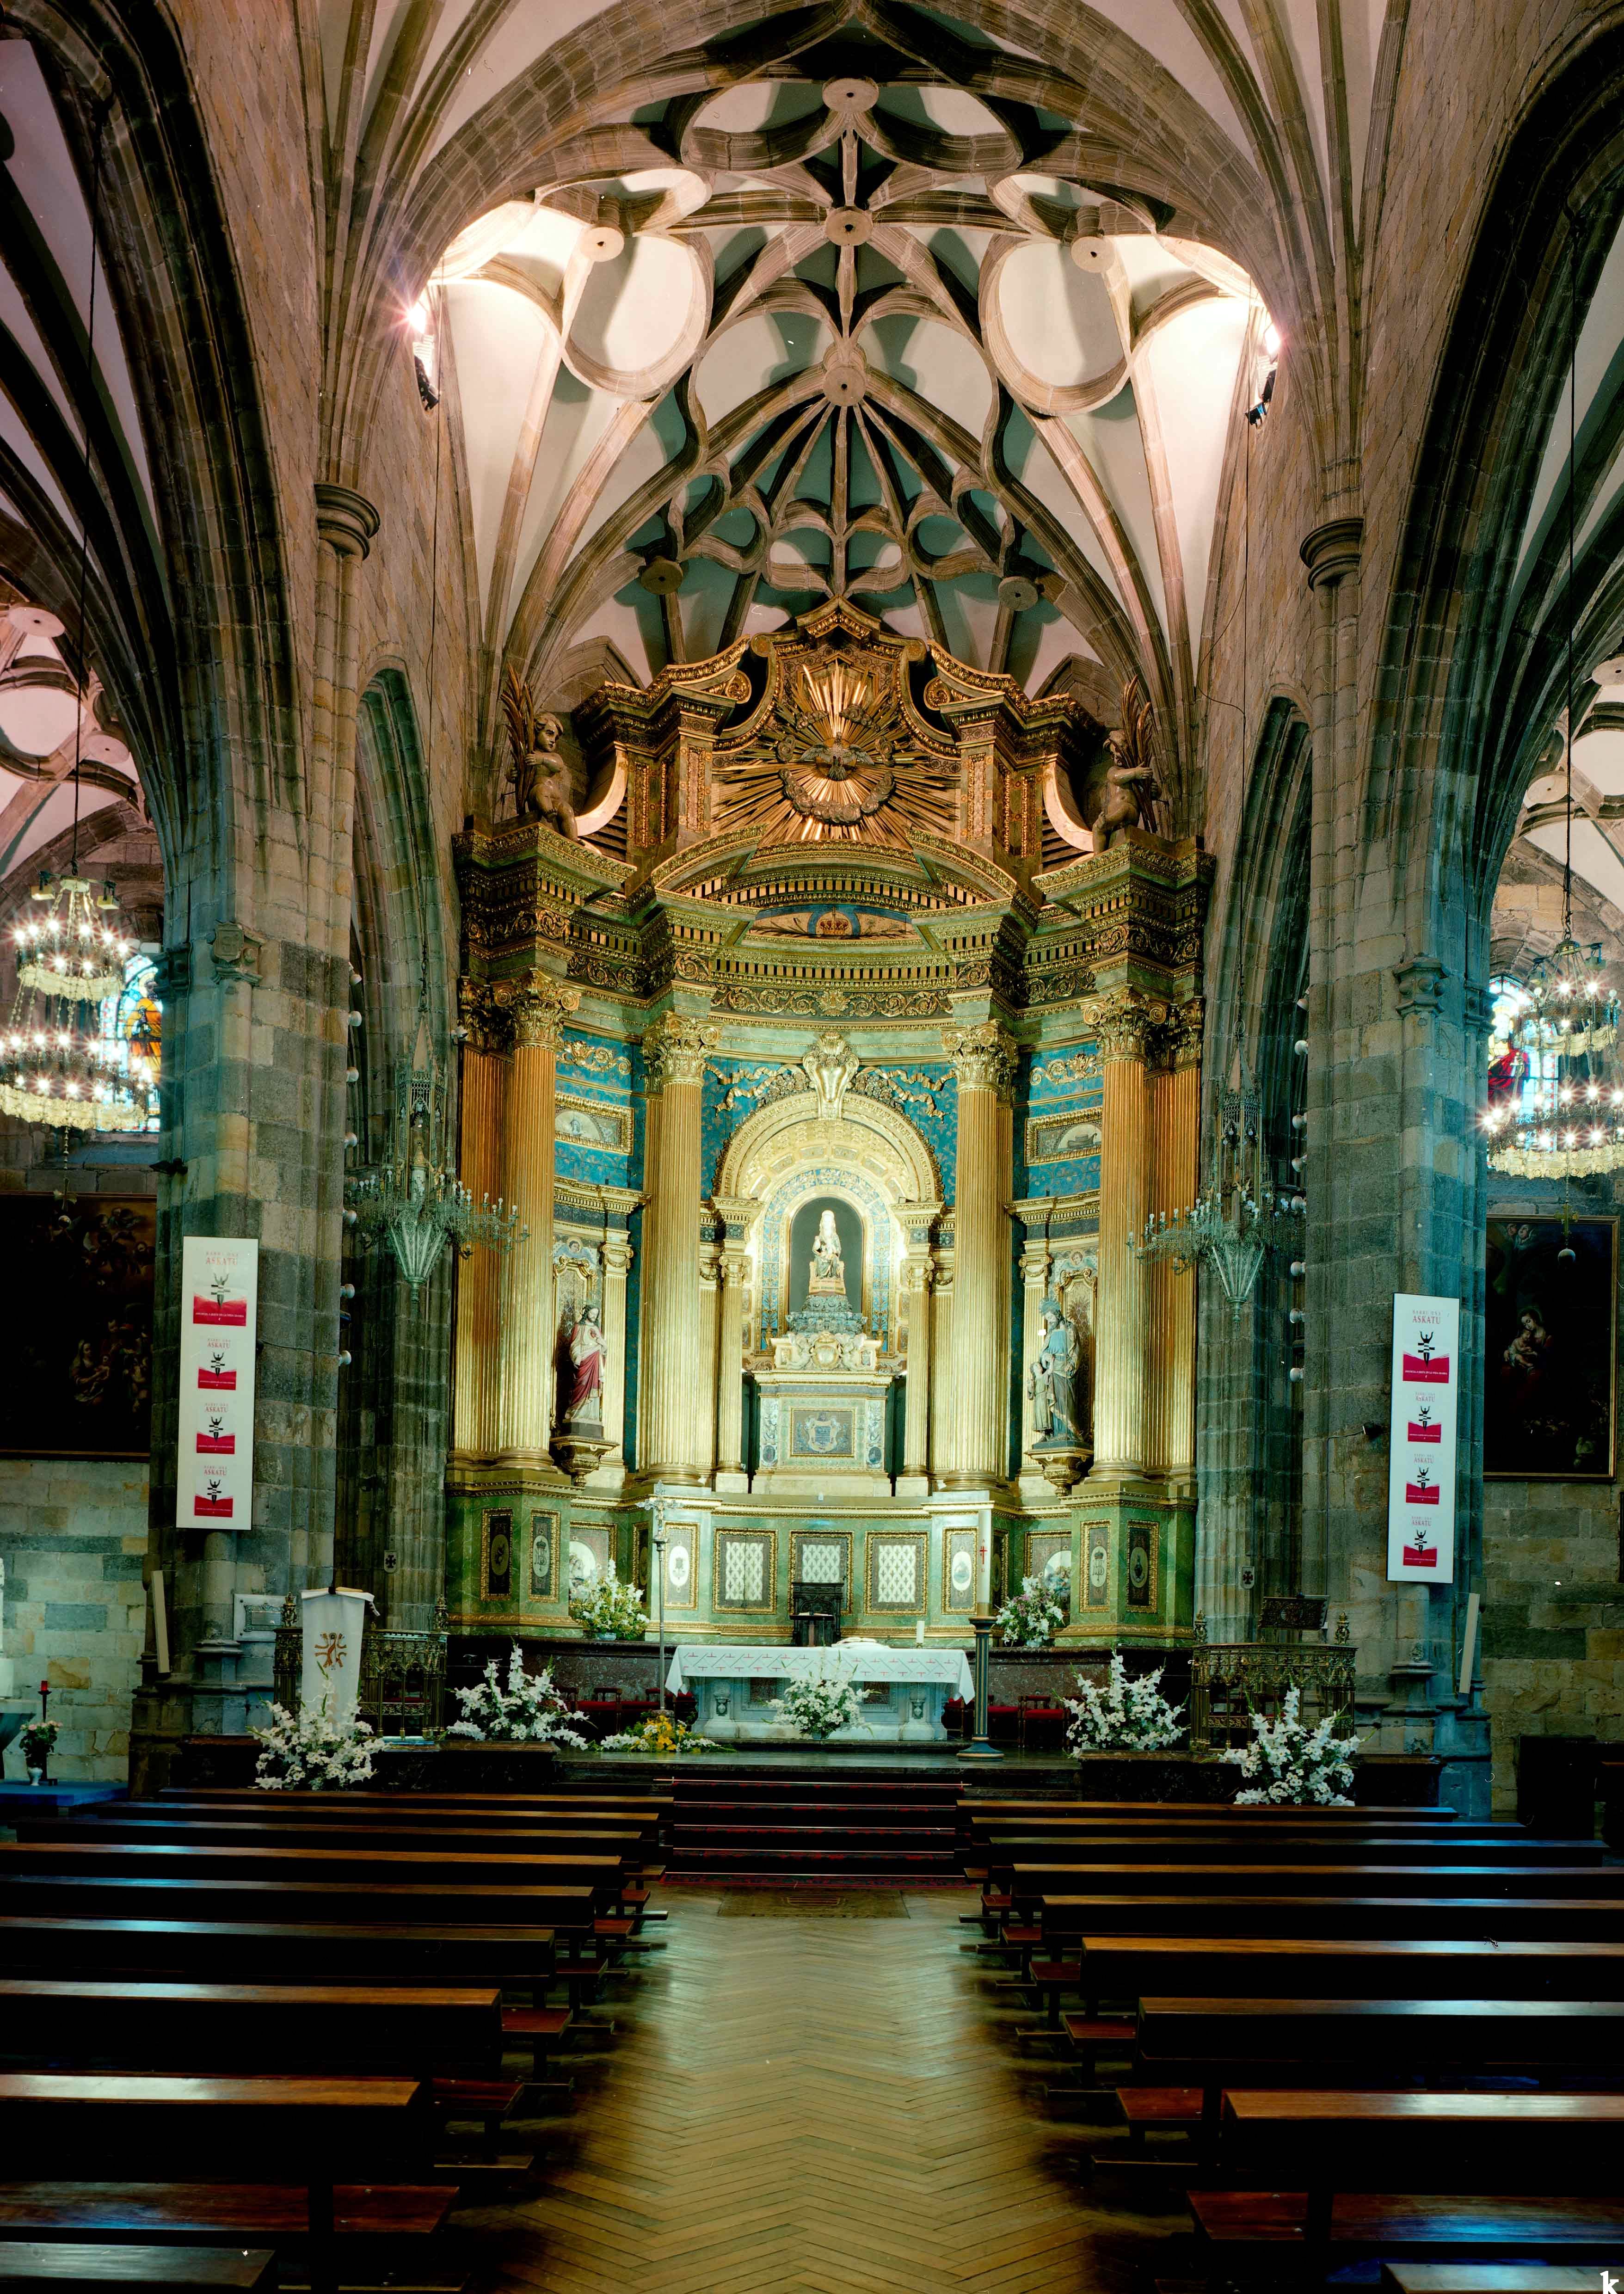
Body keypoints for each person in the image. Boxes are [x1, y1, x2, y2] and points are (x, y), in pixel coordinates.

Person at [563, 1304, 606, 1421]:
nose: (594, 1316)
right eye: (592, 1313)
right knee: (582, 1384)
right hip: (584, 1361)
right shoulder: (579, 1327)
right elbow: (574, 1345)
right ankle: (576, 1414)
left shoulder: (597, 1329)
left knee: (594, 1387)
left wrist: (603, 1345)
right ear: (587, 1312)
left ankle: (591, 1416)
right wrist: (577, 1356)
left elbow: (603, 1349)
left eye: (596, 1314)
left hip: (595, 1362)